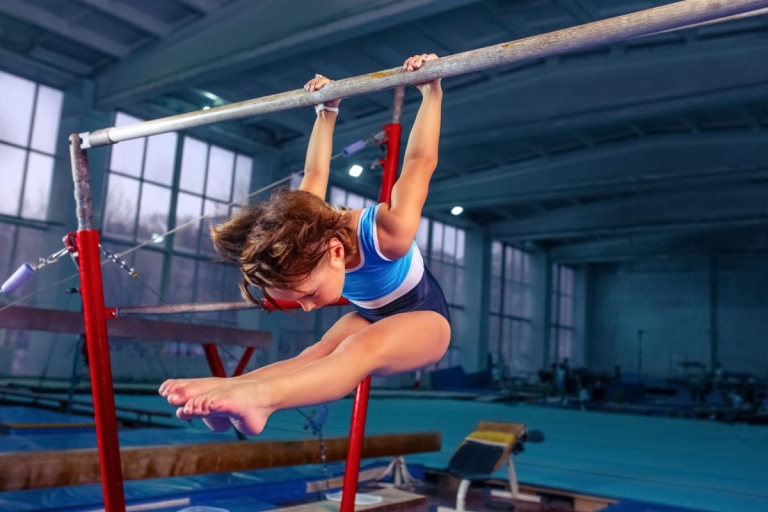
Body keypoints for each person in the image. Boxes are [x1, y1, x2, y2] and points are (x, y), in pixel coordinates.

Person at [158, 54, 450, 435]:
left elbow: (419, 162)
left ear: (336, 252)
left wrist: (431, 90)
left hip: (426, 322)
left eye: (308, 293)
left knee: (356, 351)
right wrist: (325, 111)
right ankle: (231, 389)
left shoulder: (388, 235)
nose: (307, 306)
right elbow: (315, 171)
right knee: (315, 354)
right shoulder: (308, 220)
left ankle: (262, 399)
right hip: (372, 317)